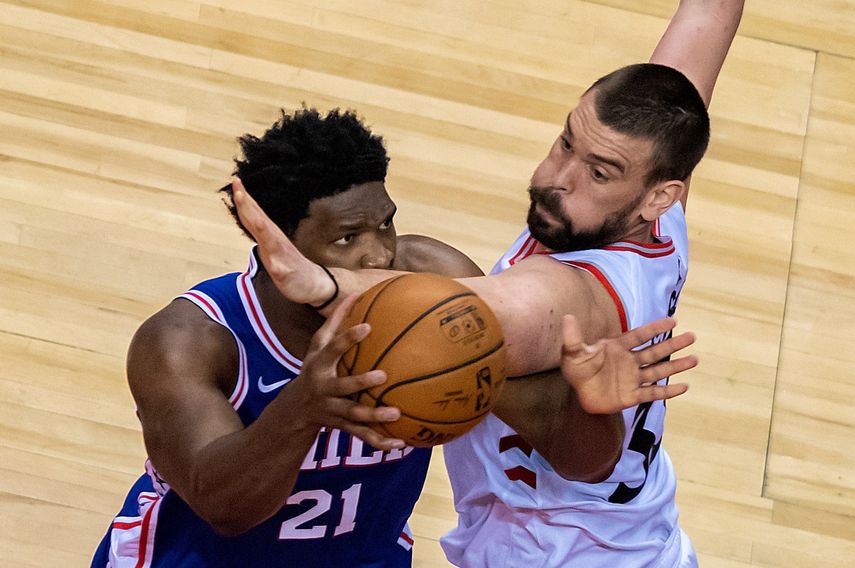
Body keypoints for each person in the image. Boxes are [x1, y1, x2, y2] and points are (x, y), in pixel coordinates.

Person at [230, 1, 745, 566]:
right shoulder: (657, 216)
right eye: (567, 142)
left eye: (598, 172)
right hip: (643, 536)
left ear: (658, 194)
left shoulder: (572, 295)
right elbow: (703, 27)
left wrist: (324, 283)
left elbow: (451, 314)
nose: (557, 179)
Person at [91, 108, 691, 567]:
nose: (379, 252)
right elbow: (224, 507)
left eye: (385, 222)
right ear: (276, 237)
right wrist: (307, 404)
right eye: (347, 237)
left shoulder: (436, 281)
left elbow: (584, 460)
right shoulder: (191, 339)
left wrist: (584, 403)